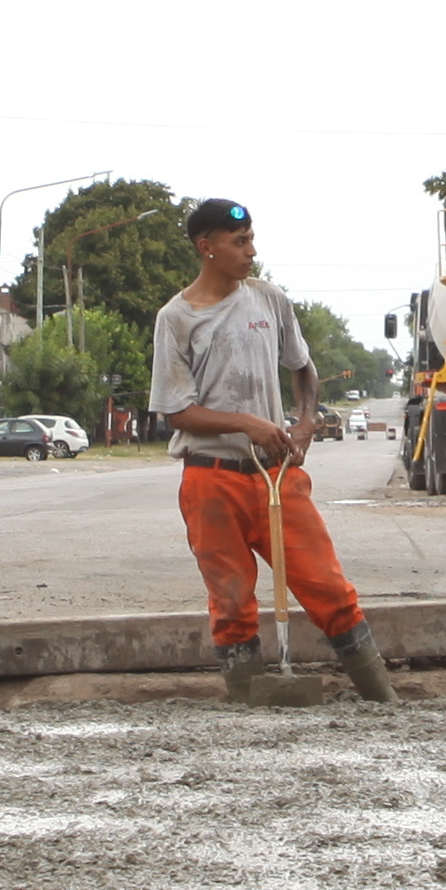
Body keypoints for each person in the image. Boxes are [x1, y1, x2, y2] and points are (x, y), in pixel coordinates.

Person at [148, 195, 394, 709]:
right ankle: (246, 704)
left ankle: (383, 697)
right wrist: (246, 423)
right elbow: (177, 411)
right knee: (232, 601)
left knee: (329, 588)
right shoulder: (176, 318)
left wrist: (305, 423)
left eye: (252, 239)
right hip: (211, 481)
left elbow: (302, 367)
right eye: (240, 242)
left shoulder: (268, 299)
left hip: (276, 478)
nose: (251, 251)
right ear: (206, 247)